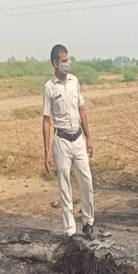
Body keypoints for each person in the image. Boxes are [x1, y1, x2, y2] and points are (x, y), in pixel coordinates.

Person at [43, 44, 95, 240]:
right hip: (61, 141)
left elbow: (82, 110)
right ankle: (70, 230)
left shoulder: (74, 82)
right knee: (65, 186)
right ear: (55, 63)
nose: (67, 63)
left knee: (86, 182)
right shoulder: (49, 88)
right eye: (64, 61)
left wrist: (89, 138)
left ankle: (88, 222)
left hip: (78, 138)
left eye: (68, 59)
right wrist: (47, 152)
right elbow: (47, 120)